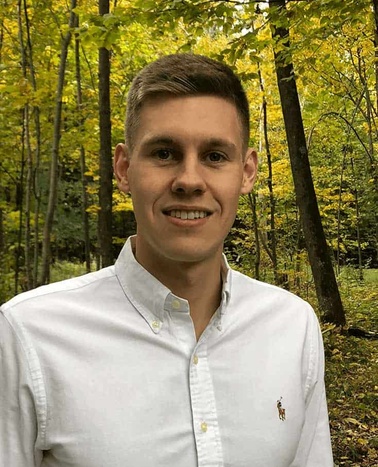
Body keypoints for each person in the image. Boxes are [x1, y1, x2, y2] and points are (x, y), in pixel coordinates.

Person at [0, 53, 333, 467]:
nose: (190, 180)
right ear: (124, 168)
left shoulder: (292, 325)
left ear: (246, 172)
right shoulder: (28, 334)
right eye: (164, 153)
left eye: (215, 156)